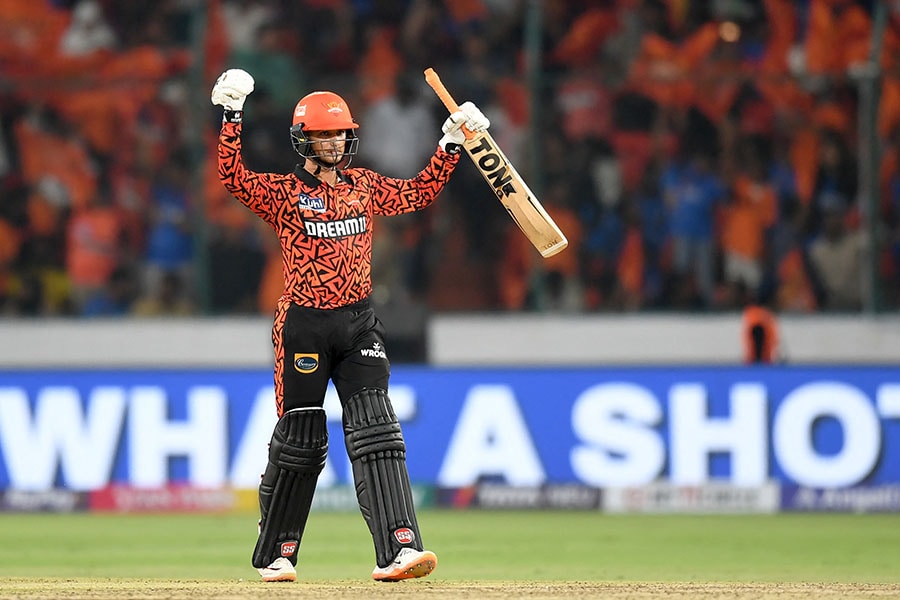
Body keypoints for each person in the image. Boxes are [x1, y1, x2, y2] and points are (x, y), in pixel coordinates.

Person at [211, 68, 489, 583]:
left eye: (340, 132)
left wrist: (451, 144)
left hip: (359, 323)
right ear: (303, 139)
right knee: (301, 440)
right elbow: (232, 178)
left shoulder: (363, 186)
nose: (335, 141)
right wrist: (231, 114)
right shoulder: (285, 193)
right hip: (304, 327)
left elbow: (415, 195)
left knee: (378, 431)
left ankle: (399, 550)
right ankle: (279, 552)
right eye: (323, 133)